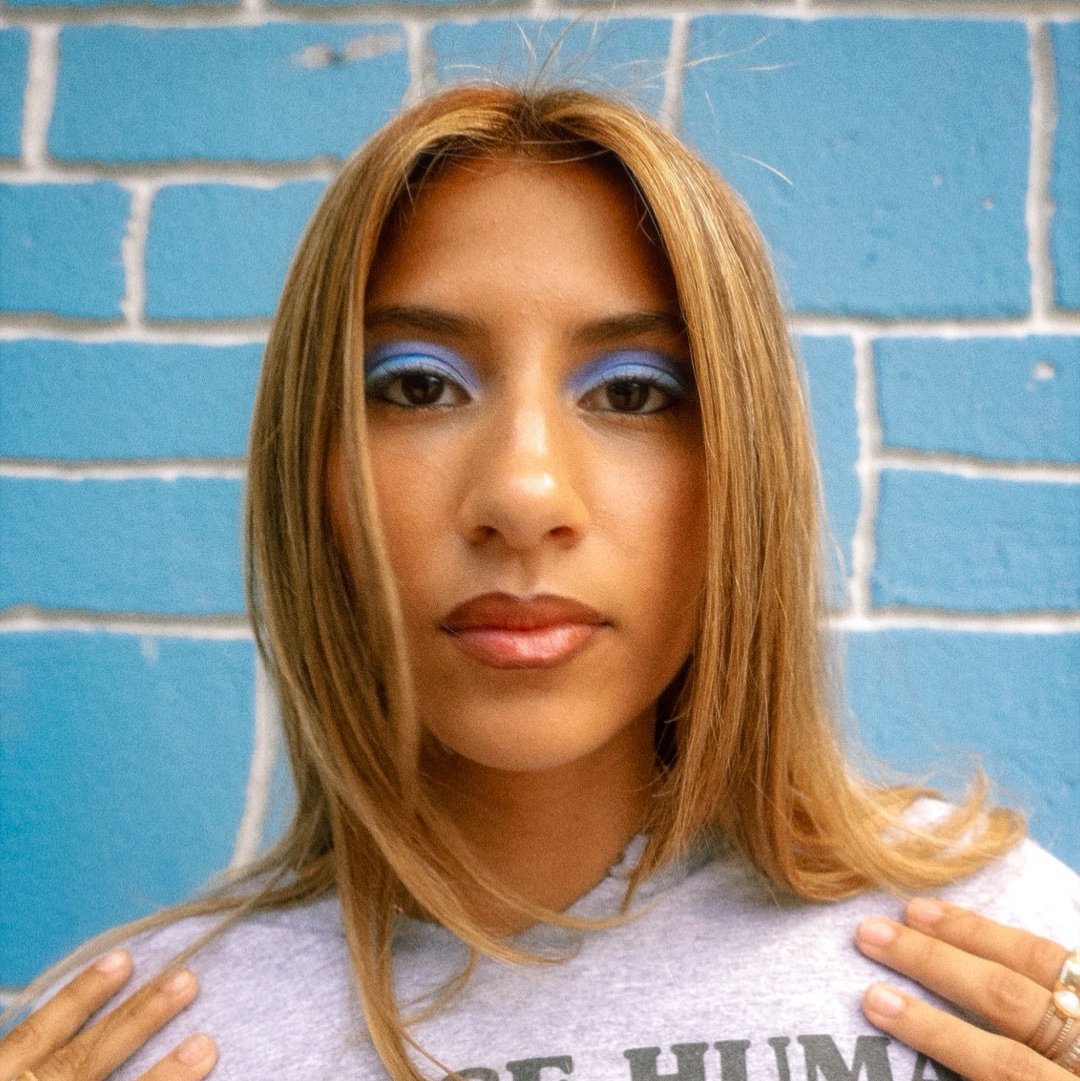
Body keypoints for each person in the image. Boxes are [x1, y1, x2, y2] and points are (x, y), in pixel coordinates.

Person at [2, 84, 1077, 1081]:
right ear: (312, 468)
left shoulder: (1014, 971)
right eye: (417, 385)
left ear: (742, 475)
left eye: (634, 392)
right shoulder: (141, 1042)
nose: (523, 494)